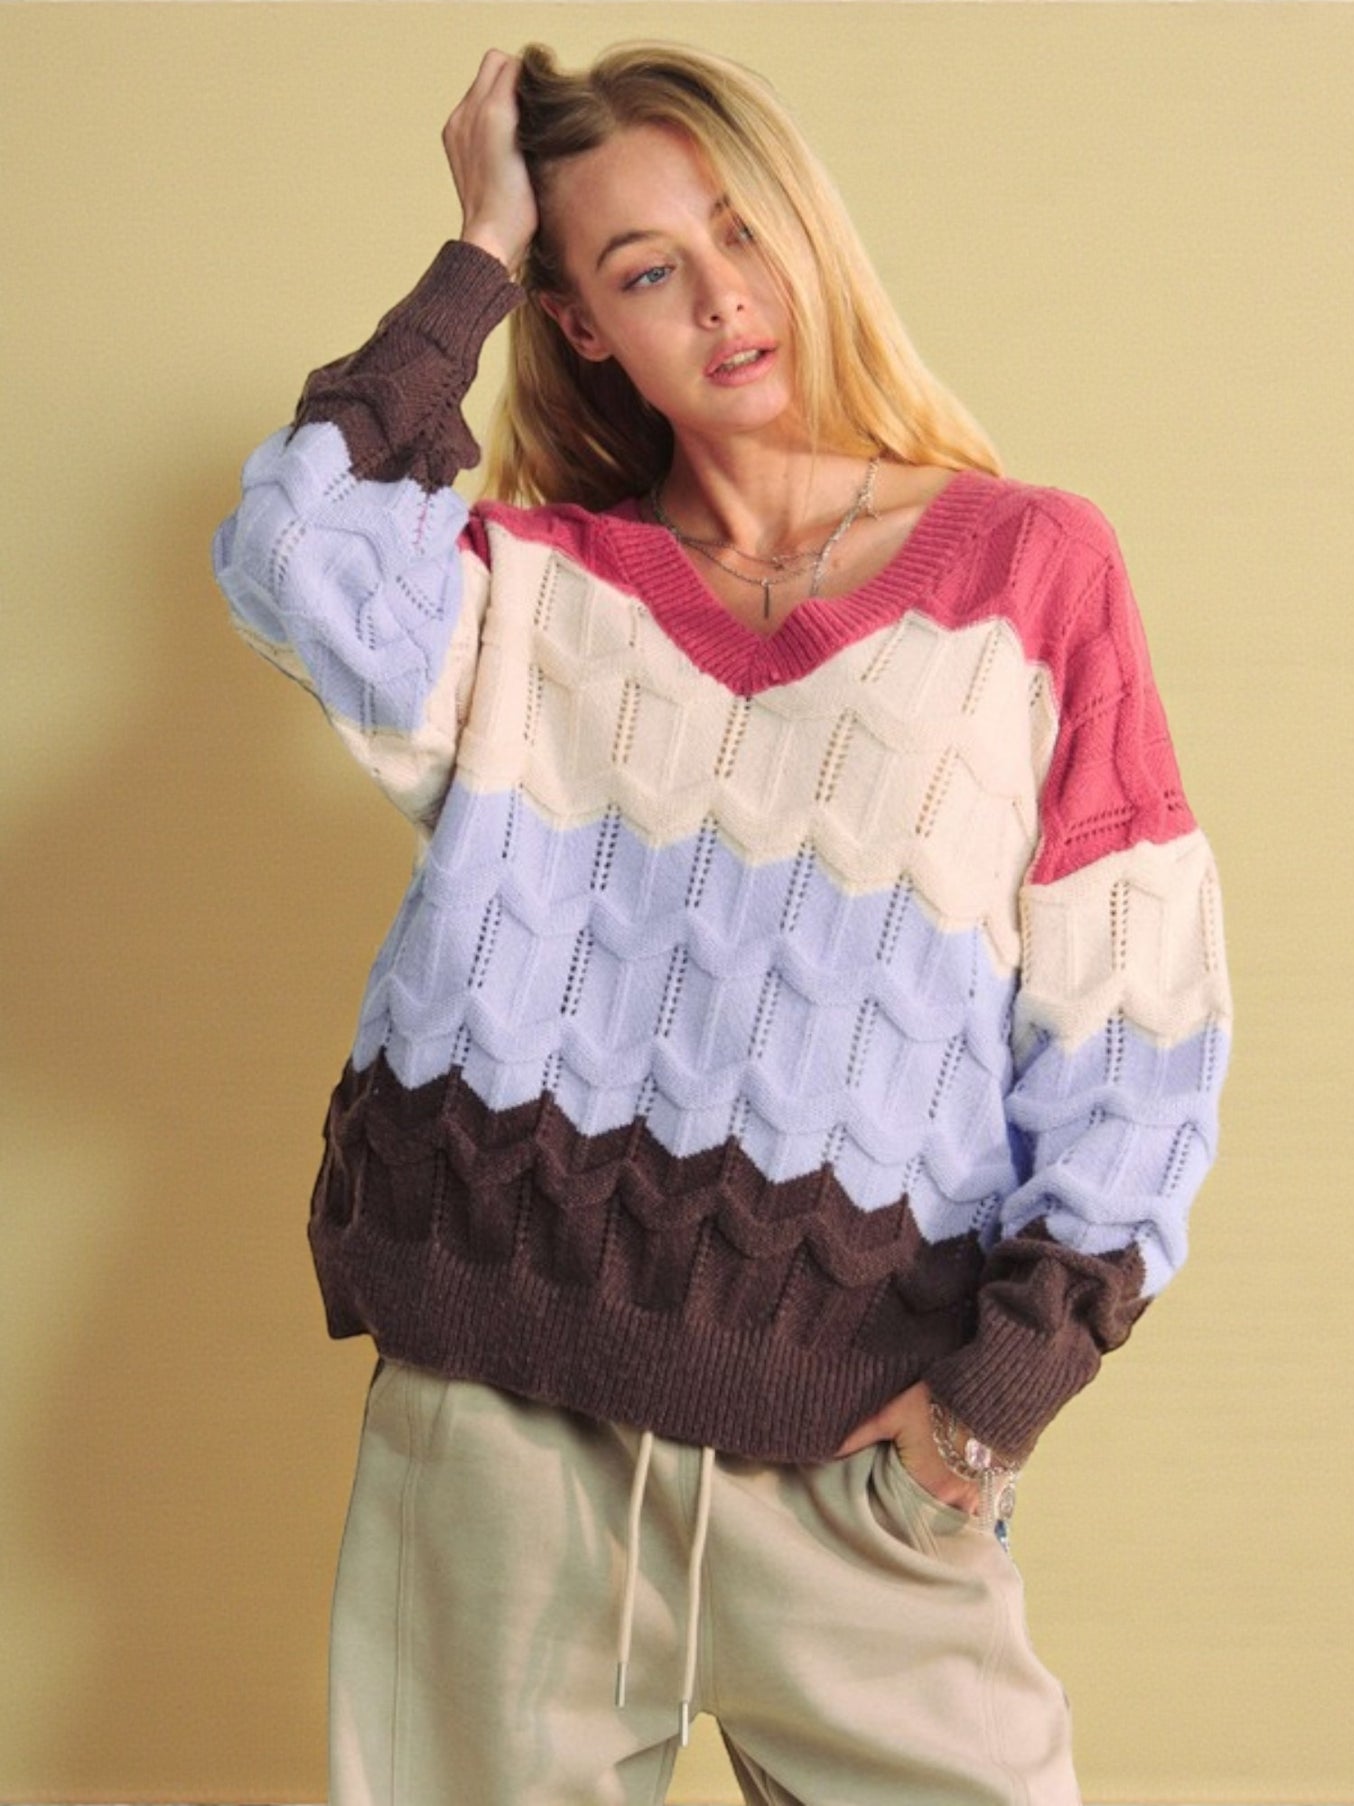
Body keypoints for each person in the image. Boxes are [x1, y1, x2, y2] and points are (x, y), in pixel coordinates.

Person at [213, 40, 1231, 1806]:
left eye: (740, 232)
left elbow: (1134, 1001)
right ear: (584, 324)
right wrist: (474, 248)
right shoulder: (530, 592)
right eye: (643, 270)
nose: (723, 299)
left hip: (849, 1459)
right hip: (500, 1437)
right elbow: (291, 546)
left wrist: (992, 1401)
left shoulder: (1024, 574)